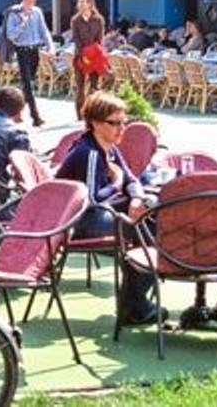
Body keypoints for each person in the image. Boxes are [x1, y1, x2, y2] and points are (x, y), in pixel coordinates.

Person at [55, 92, 161, 325]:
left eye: (124, 122)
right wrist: (116, 182)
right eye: (114, 123)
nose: (122, 128)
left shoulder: (109, 148)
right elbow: (91, 200)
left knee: (156, 223)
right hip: (80, 223)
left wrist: (135, 199)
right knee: (154, 233)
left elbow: (131, 180)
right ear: (94, 123)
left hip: (101, 214)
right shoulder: (89, 153)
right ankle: (134, 304)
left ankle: (133, 303)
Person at [4, 0, 54, 127]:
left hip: (34, 50)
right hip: (22, 51)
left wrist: (50, 48)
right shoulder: (14, 13)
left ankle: (14, 111)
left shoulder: (37, 12)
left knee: (27, 84)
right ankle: (35, 116)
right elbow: (10, 35)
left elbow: (44, 31)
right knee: (28, 85)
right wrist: (22, 24)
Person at [69, 0, 106, 120]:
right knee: (80, 86)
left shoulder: (98, 19)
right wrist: (83, 55)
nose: (80, 4)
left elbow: (100, 40)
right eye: (79, 1)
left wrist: (95, 55)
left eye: (83, 1)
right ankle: (80, 115)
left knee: (94, 86)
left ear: (90, 3)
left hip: (95, 56)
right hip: (80, 56)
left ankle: (94, 113)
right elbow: (76, 40)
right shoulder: (75, 20)